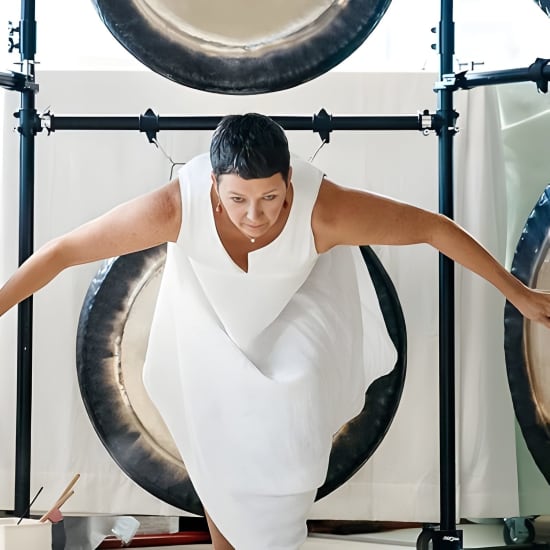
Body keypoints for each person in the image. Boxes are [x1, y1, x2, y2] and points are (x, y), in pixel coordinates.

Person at [1, 113, 549, 550]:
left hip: (305, 300)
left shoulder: (326, 210)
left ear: (289, 179)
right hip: (205, 308)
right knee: (210, 426)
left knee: (291, 411)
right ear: (214, 185)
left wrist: (519, 293)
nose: (254, 215)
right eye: (237, 199)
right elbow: (63, 251)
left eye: (269, 197)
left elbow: (432, 228)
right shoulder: (175, 207)